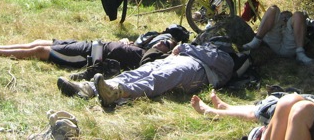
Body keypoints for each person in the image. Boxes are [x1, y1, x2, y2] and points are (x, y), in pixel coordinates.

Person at [56, 41, 235, 107]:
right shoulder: (202, 47)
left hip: (197, 71)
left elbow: (219, 64)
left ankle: (118, 91)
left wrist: (185, 48)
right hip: (178, 61)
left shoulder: (226, 56)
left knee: (159, 78)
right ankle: (89, 88)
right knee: (142, 71)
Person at [0, 30, 177, 78]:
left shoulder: (151, 59)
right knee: (40, 41)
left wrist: (174, 52)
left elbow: (154, 64)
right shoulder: (143, 48)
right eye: (164, 40)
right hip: (91, 44)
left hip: (88, 57)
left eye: (167, 44)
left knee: (41, 51)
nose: (162, 43)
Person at [241, 5, 314, 65]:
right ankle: (256, 41)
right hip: (272, 44)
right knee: (273, 9)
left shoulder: (292, 21)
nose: (285, 15)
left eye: (287, 14)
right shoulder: (277, 19)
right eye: (283, 14)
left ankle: (300, 54)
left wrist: (290, 20)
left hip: (289, 46)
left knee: (298, 14)